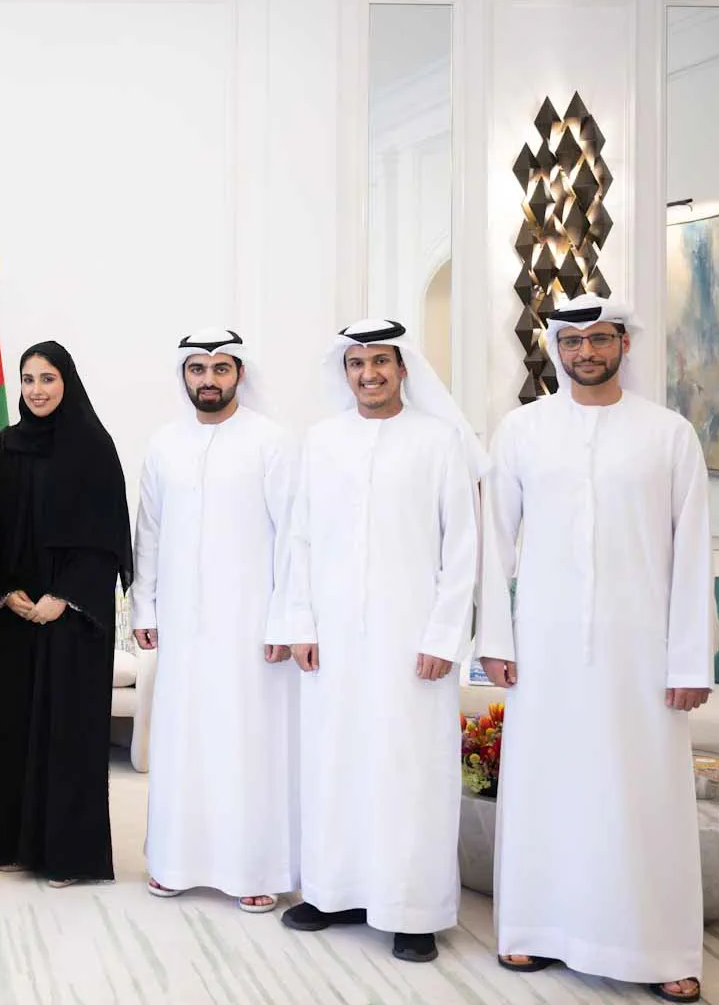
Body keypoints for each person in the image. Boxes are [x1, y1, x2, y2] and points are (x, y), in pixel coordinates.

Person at [477, 296, 710, 1005]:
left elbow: (693, 550)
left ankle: (663, 948)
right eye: (573, 340)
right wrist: (494, 639)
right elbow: (495, 541)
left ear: (623, 345)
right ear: (557, 348)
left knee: (645, 796)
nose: (586, 351)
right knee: (544, 787)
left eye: (599, 339)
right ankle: (534, 929)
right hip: (544, 646)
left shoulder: (668, 435)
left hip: (641, 651)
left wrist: (690, 659)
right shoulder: (522, 431)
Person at [276, 318, 481, 964]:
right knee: (334, 761)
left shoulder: (439, 440)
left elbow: (462, 547)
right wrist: (300, 623)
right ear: (345, 372)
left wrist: (446, 635)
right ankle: (334, 892)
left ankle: (411, 908)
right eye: (358, 363)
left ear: (403, 368)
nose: (369, 374)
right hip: (334, 638)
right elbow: (300, 539)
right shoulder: (323, 440)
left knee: (409, 770)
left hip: (412, 639)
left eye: (381, 362)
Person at [133, 329, 299, 914]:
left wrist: (286, 620)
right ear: (184, 376)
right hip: (181, 622)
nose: (208, 379)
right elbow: (147, 534)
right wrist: (144, 606)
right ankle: (174, 863)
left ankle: (255, 868)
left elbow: (292, 541)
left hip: (252, 627)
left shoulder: (271, 442)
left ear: (239, 374)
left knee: (247, 743)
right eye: (198, 369)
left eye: (220, 369)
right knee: (182, 741)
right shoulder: (163, 444)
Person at [0, 342, 129, 887]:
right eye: (28, 379)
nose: (37, 389)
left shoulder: (93, 447)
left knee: (66, 732)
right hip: (16, 614)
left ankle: (69, 856)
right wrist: (5, 591)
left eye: (47, 378)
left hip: (71, 618)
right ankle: (13, 846)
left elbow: (108, 538)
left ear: (68, 382)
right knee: (11, 726)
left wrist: (62, 597)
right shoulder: (2, 449)